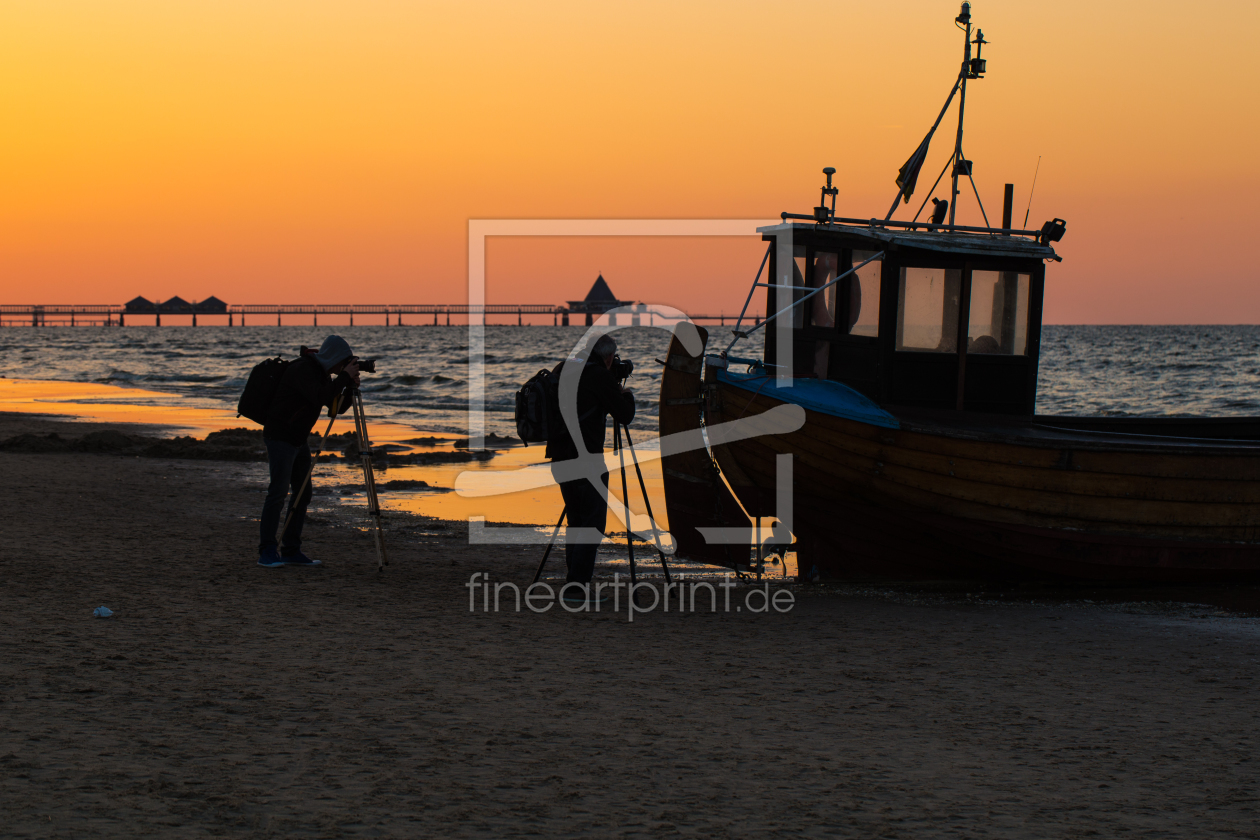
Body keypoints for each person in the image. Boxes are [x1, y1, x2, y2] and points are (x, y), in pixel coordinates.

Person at [545, 334, 635, 605]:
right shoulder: (598, 376)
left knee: (576, 522)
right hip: (586, 460)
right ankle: (576, 590)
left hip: (559, 457)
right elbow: (625, 414)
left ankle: (574, 585)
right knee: (592, 526)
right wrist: (626, 394)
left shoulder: (564, 368)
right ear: (608, 357)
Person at [258, 335, 359, 567]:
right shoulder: (304, 369)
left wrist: (349, 385)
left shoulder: (322, 374)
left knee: (303, 493)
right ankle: (266, 551)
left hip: (298, 439)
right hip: (280, 436)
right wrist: (343, 377)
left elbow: (335, 409)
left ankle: (292, 550)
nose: (342, 367)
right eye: (343, 362)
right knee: (278, 493)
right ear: (334, 358)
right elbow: (320, 396)